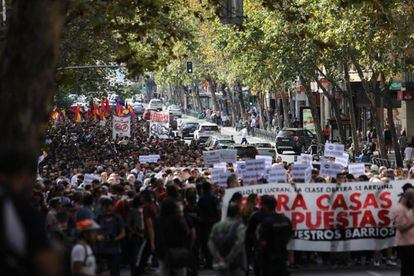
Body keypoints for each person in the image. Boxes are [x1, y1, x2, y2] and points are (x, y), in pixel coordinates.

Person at [256, 196, 292, 276]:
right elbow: (289, 237)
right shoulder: (286, 219)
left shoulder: (266, 222)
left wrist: (257, 233)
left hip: (269, 259)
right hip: (282, 256)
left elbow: (263, 242)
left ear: (265, 206)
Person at [208, 203, 247, 276]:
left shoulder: (217, 226)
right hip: (237, 263)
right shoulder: (240, 227)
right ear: (238, 213)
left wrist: (218, 257)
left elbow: (210, 243)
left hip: (219, 263)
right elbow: (239, 243)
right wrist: (229, 258)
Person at [155, 198, 191, 276]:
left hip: (162, 249)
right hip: (177, 248)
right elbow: (186, 231)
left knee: (164, 270)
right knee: (180, 271)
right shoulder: (178, 218)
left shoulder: (158, 219)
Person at [96, 197, 126, 276]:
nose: (108, 208)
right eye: (106, 206)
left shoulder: (117, 218)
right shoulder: (99, 218)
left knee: (115, 272)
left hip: (114, 250)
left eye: (110, 206)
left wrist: (114, 239)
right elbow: (95, 232)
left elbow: (123, 233)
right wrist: (98, 237)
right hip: (102, 250)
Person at [198, 181, 220, 269]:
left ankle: (208, 262)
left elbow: (199, 211)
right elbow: (217, 210)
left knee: (205, 243)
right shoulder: (214, 197)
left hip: (204, 222)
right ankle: (213, 261)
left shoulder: (201, 198)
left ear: (203, 189)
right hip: (213, 221)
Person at [394, 188, 414, 276]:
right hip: (406, 244)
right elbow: (401, 229)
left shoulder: (406, 208)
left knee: (408, 268)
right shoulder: (400, 209)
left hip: (410, 242)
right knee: (408, 268)